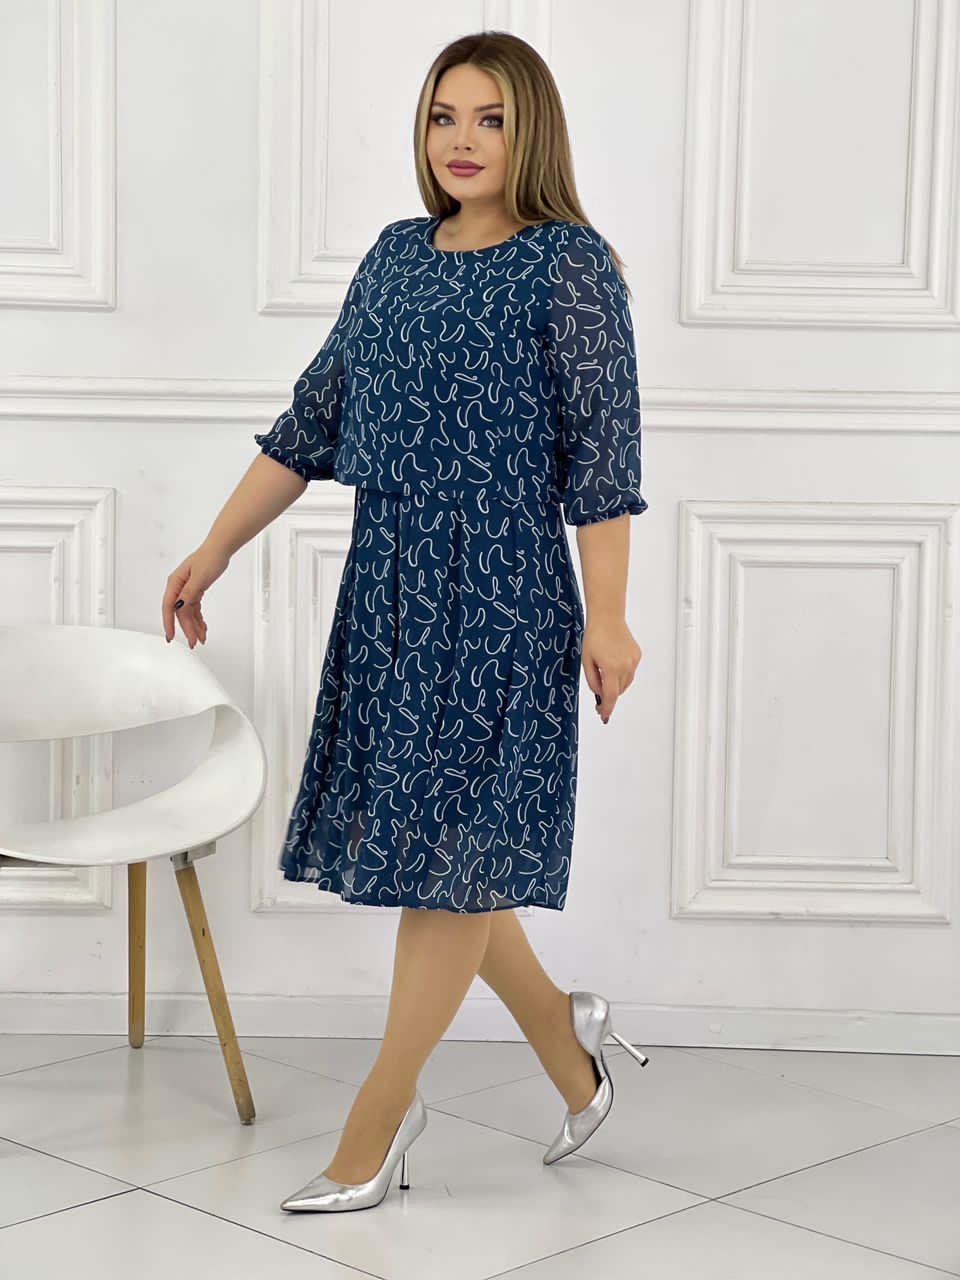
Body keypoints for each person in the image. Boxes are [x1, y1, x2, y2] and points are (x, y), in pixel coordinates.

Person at [161, 30, 651, 1215]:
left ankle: (376, 1124)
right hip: (391, 592)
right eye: (444, 116)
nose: (462, 140)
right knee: (451, 857)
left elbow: (604, 459)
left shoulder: (570, 265)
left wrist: (611, 618)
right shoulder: (393, 256)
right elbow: (312, 420)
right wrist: (213, 548)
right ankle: (569, 1042)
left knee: (452, 865)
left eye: (490, 118)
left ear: (531, 132)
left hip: (507, 597)